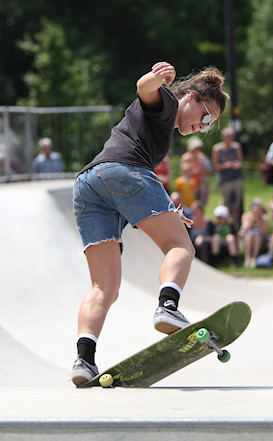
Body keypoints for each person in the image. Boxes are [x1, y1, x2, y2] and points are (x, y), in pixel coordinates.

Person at [71, 61, 228, 386]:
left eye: (209, 126)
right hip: (123, 172)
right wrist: (156, 80)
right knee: (180, 245)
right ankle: (168, 306)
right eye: (206, 116)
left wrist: (169, 210)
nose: (203, 126)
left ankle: (84, 361)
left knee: (104, 288)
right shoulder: (167, 102)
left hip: (89, 185)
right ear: (192, 97)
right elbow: (145, 90)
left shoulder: (160, 125)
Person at [211, 127, 243, 230]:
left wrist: (237, 164)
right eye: (229, 136)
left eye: (232, 137)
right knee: (226, 205)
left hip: (236, 178)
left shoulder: (236, 147)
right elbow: (216, 165)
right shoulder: (217, 149)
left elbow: (240, 161)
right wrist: (228, 165)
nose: (231, 139)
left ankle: (235, 228)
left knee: (236, 206)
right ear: (224, 137)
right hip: (225, 180)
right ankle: (223, 227)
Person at [181, 136, 211, 206]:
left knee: (201, 205)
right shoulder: (186, 158)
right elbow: (184, 172)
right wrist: (196, 171)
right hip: (190, 185)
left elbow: (209, 169)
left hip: (201, 184)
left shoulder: (202, 157)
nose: (197, 150)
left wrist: (204, 170)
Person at [239, 198, 269, 268]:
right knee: (250, 234)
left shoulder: (264, 217)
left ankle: (254, 258)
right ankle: (247, 257)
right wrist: (252, 220)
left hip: (260, 239)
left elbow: (265, 232)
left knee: (256, 234)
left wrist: (258, 222)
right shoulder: (246, 216)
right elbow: (244, 229)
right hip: (248, 237)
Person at [188, 201, 216, 265]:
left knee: (203, 244)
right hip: (192, 247)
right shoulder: (189, 223)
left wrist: (203, 238)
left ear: (201, 211)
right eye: (192, 211)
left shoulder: (208, 223)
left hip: (206, 247)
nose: (193, 213)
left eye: (195, 211)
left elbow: (214, 237)